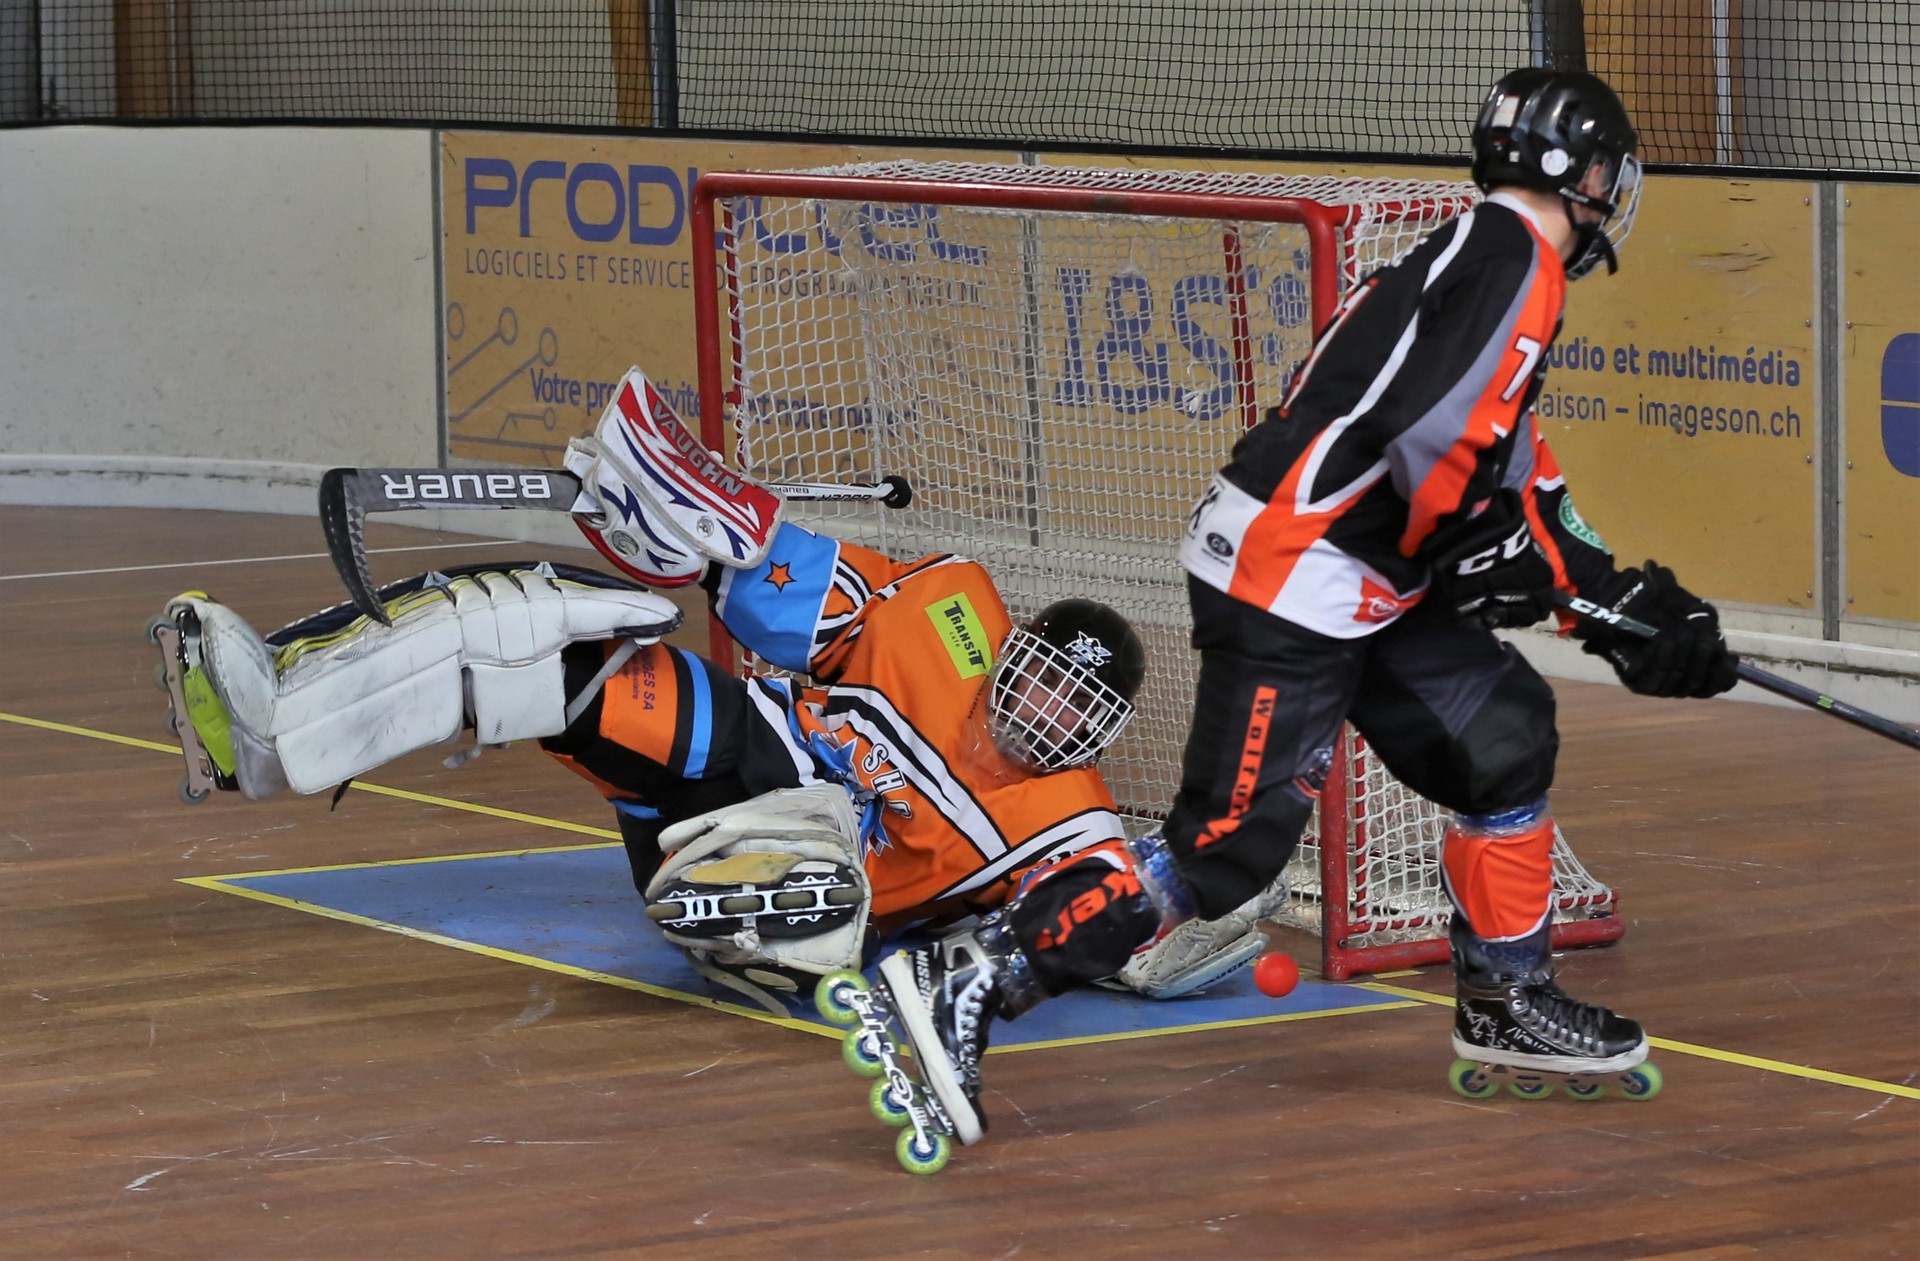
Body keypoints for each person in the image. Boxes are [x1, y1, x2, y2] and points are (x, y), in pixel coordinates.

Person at [852, 67, 1739, 1147]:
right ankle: (976, 973)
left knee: (1501, 738)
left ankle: (1507, 996)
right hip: (1293, 579)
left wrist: (1616, 600)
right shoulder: (1518, 262)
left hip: (1365, 583)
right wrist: (1488, 552)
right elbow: (1435, 446)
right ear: (1583, 175)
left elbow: (1511, 469)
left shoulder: (1474, 258)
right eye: (1605, 174)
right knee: (1227, 848)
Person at [151, 368, 1276, 1015]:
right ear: (1013, 649)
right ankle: (267, 725)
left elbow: (1115, 923)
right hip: (740, 757)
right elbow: (781, 588)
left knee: (813, 856)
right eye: (1043, 679)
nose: (1047, 712)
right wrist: (704, 533)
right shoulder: (952, 609)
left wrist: (1201, 910)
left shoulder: (1073, 825)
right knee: (543, 634)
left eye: (1077, 711)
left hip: (790, 878)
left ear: (1101, 734)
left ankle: (758, 930)